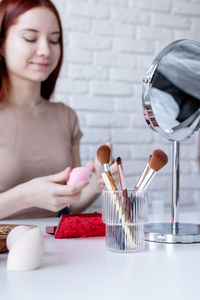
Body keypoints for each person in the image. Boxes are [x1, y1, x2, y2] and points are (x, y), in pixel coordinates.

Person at [0, 0, 118, 220]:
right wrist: (25, 196)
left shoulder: (66, 116)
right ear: (1, 44)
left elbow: (69, 205)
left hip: (58, 251)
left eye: (54, 40)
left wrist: (97, 182)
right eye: (30, 38)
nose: (46, 50)